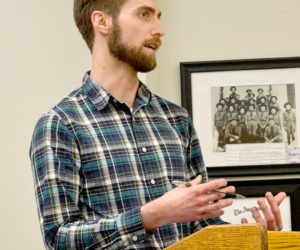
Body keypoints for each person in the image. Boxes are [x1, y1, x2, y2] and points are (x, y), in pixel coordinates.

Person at [29, 0, 286, 249]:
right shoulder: (60, 124)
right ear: (102, 22)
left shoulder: (176, 119)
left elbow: (202, 225)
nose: (159, 30)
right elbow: (59, 238)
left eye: (158, 17)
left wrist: (254, 237)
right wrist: (152, 215)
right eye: (144, 14)